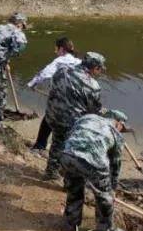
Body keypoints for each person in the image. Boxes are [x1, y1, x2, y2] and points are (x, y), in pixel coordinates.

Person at [60, 109, 130, 231]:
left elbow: (70, 134)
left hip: (68, 155)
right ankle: (105, 229)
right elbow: (115, 164)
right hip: (93, 162)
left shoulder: (88, 117)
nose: (121, 130)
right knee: (104, 196)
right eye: (122, 127)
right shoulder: (116, 133)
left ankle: (70, 223)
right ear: (118, 123)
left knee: (74, 188)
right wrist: (112, 188)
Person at [45, 51, 106, 180]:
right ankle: (69, 183)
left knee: (57, 142)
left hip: (52, 116)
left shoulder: (62, 70)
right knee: (74, 151)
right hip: (70, 124)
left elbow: (52, 87)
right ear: (95, 68)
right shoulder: (92, 85)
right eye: (100, 70)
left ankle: (51, 172)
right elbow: (93, 113)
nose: (100, 73)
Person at [28, 37, 80, 152]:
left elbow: (45, 73)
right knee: (69, 125)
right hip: (76, 101)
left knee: (48, 120)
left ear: (61, 49)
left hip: (59, 98)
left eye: (56, 49)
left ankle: (40, 146)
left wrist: (32, 84)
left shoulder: (60, 61)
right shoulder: (79, 62)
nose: (55, 51)